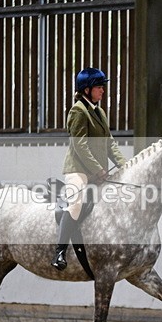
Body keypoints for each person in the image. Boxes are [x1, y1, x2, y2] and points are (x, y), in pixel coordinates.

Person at [51, 67, 127, 271]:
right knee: (75, 203)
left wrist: (124, 165)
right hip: (77, 169)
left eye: (102, 87)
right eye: (99, 87)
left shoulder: (99, 112)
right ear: (86, 90)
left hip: (95, 170)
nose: (102, 91)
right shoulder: (78, 110)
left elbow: (109, 143)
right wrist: (98, 169)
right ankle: (59, 251)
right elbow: (79, 145)